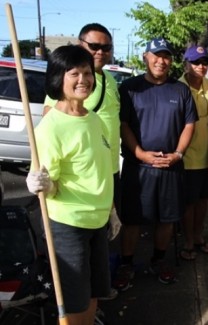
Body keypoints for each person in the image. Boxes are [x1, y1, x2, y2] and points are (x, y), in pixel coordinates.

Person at [26, 45, 114, 324]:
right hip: (69, 224)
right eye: (74, 73)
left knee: (93, 294)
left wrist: (111, 210)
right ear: (58, 79)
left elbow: (99, 169)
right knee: (73, 303)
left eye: (87, 73)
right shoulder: (51, 127)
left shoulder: (95, 119)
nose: (83, 80)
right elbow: (48, 184)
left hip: (98, 221)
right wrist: (41, 184)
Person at [114, 37, 197, 289]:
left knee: (167, 218)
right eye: (156, 55)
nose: (161, 61)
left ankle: (159, 260)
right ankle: (127, 264)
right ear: (145, 57)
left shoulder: (180, 90)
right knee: (132, 220)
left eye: (166, 56)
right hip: (138, 168)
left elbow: (189, 124)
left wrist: (178, 153)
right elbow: (123, 124)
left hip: (171, 167)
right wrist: (139, 153)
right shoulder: (129, 88)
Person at [178, 45, 208, 260]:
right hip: (186, 157)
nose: (201, 67)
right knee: (188, 201)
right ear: (186, 64)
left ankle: (198, 235)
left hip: (207, 155)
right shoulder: (177, 87)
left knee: (203, 200)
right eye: (196, 62)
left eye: (204, 62)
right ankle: (188, 241)